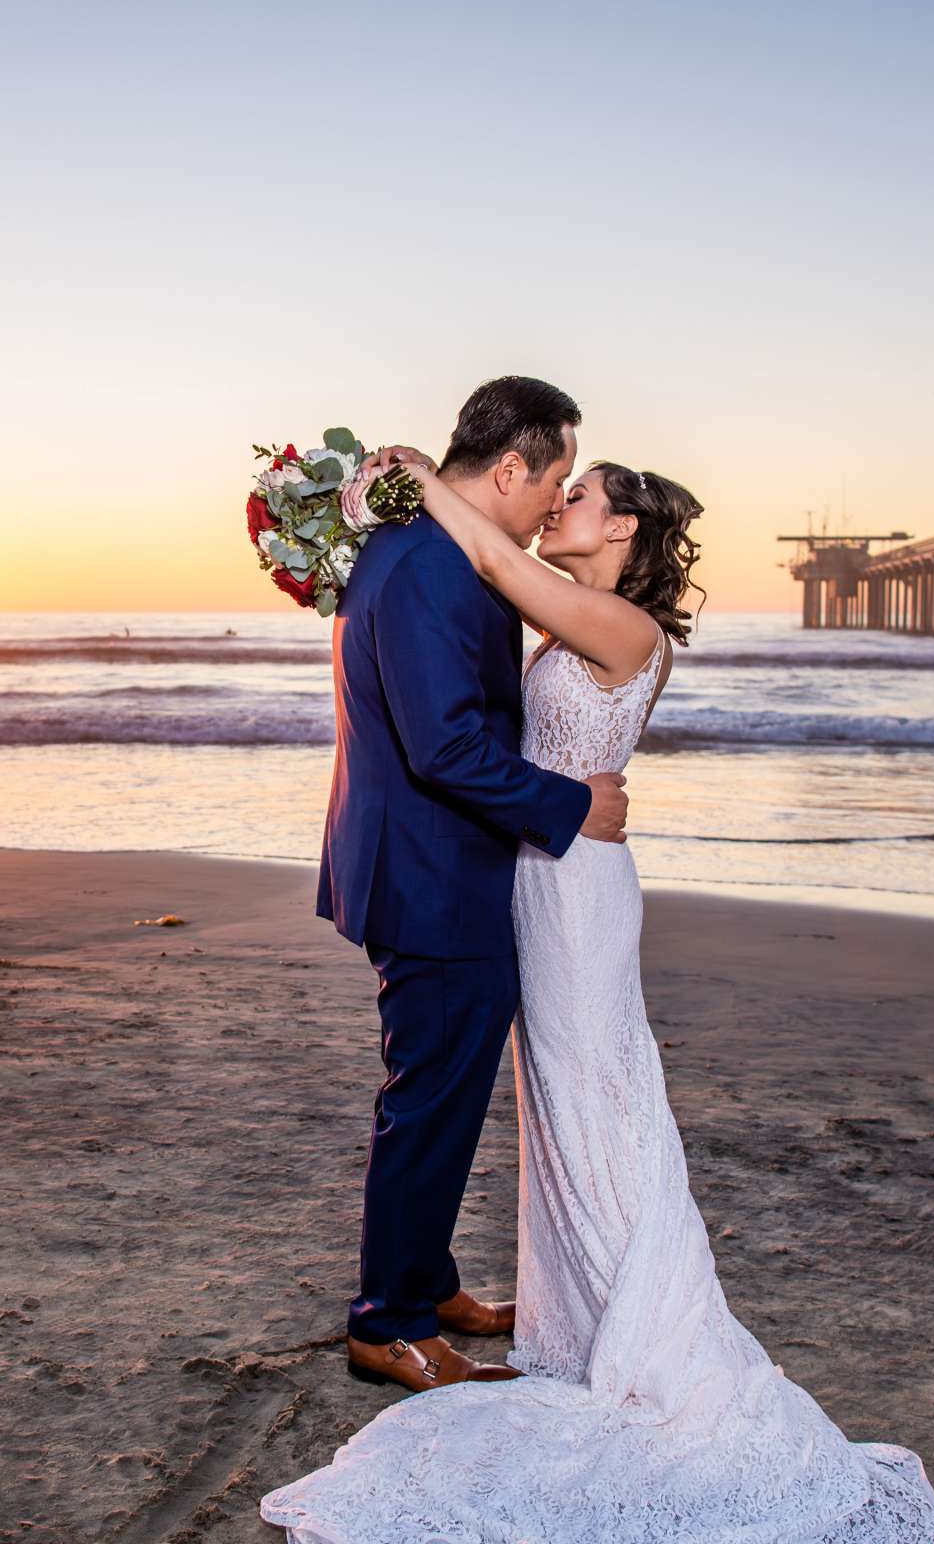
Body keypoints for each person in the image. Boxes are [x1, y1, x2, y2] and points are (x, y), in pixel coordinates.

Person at [264, 446, 934, 1542]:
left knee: (597, 1086)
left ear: (625, 528)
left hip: (575, 887)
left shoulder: (625, 630)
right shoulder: (581, 610)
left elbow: (491, 553)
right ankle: (575, 1303)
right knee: (560, 1100)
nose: (561, 504)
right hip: (537, 872)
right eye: (559, 484)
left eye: (580, 495)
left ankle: (636, 1320)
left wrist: (410, 481)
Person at [310, 375, 631, 1395]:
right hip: (431, 875)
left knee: (440, 1091)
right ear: (510, 469)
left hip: (438, 864)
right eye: (556, 480)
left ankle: (428, 1281)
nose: (556, 502)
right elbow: (447, 747)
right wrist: (575, 806)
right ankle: (389, 1322)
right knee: (431, 1101)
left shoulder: (440, 553)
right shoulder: (426, 570)